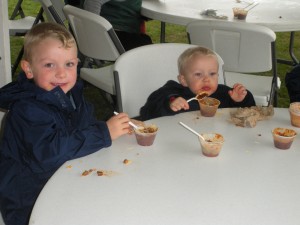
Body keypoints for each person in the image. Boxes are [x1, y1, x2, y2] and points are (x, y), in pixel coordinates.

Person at [0, 22, 131, 225]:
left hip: (65, 180)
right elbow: (48, 152)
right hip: (30, 202)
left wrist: (117, 127)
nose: (62, 74)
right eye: (49, 65)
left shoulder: (71, 93)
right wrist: (104, 133)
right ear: (29, 69)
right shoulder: (27, 110)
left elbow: (81, 126)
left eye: (69, 64)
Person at [139, 46, 256, 121]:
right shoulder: (171, 92)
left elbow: (250, 112)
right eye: (198, 74)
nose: (206, 79)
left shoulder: (225, 94)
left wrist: (240, 100)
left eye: (212, 74)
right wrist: (169, 104)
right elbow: (146, 114)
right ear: (183, 80)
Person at [83, 0, 153, 51]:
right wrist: (95, 32)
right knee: (148, 48)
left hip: (120, 34)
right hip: (112, 35)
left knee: (146, 42)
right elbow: (92, 2)